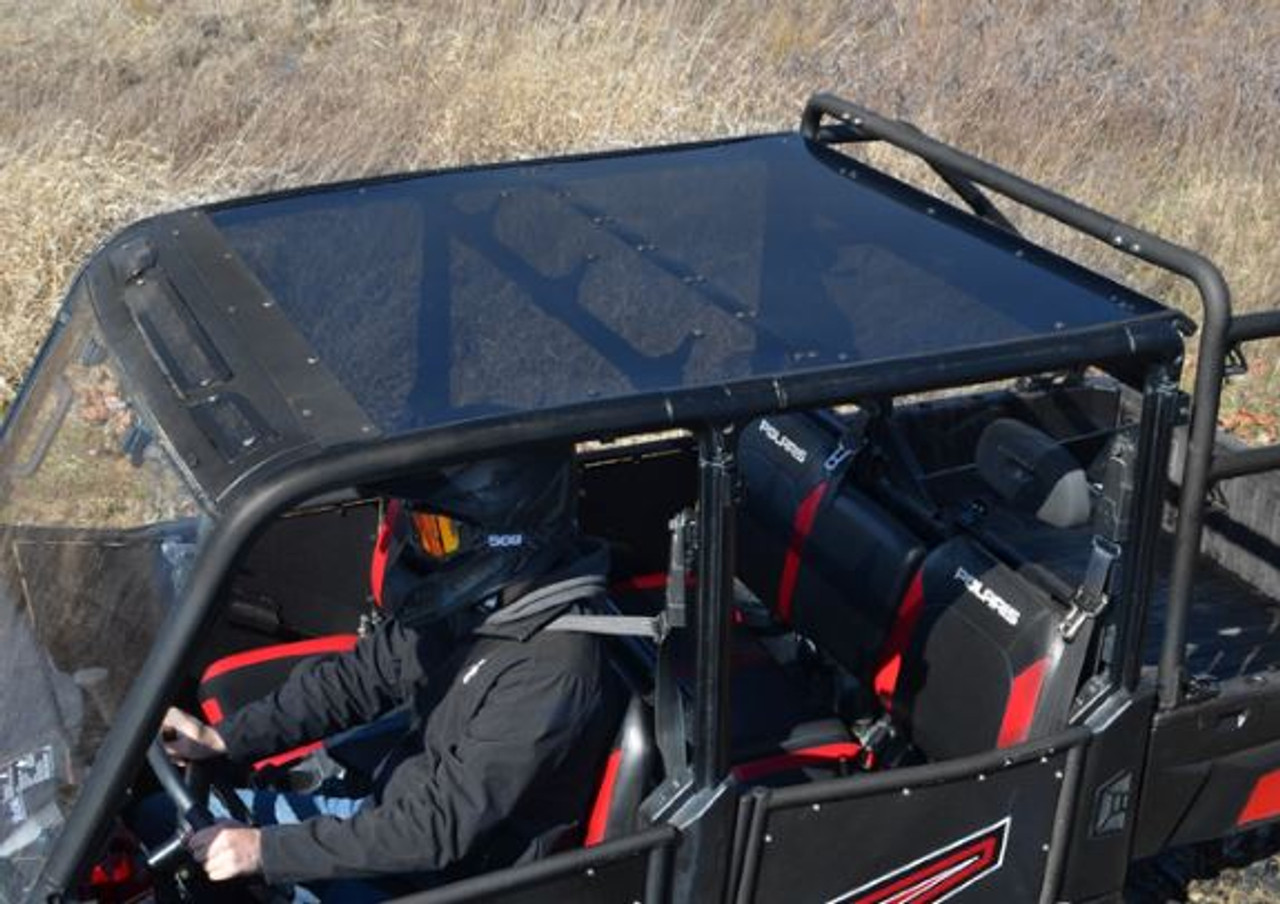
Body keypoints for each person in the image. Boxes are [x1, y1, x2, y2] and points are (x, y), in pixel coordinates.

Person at [156, 446, 621, 900]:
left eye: (440, 536)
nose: (425, 553)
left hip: (447, 876)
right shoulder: (481, 606)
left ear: (510, 539)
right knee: (158, 817)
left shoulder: (553, 668)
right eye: (416, 530)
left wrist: (267, 851)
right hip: (389, 819)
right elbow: (360, 677)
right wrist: (223, 739)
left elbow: (442, 827)